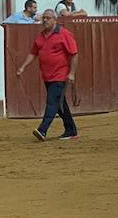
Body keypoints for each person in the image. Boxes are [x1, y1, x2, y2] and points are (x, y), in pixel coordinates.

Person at [15, 9, 79, 142]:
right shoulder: (41, 36)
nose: (45, 20)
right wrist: (23, 67)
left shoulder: (64, 34)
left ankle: (42, 130)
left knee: (52, 102)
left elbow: (74, 53)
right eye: (44, 18)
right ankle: (71, 131)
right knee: (60, 105)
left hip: (60, 75)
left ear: (55, 20)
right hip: (47, 76)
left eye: (48, 18)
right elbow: (33, 53)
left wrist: (71, 73)